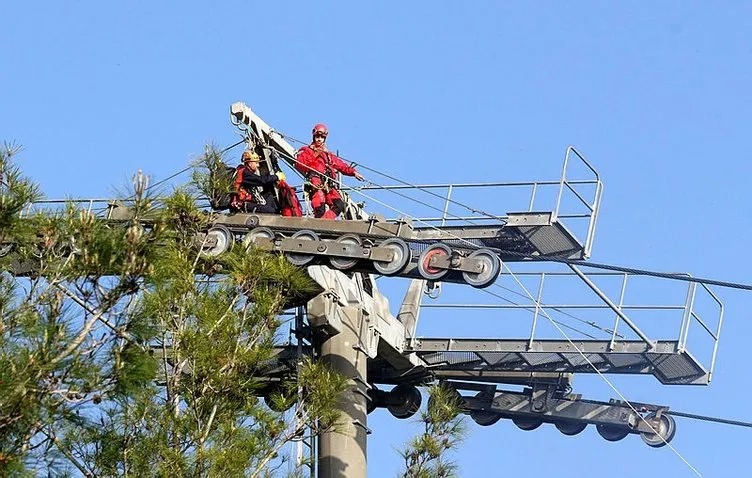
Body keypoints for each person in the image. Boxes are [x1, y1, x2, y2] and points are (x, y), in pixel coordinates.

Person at [295, 123, 364, 219]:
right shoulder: (306, 151)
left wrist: (353, 172)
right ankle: (321, 224)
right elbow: (300, 164)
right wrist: (316, 153)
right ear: (314, 137)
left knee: (339, 204)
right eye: (317, 136)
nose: (319, 139)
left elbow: (340, 165)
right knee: (319, 207)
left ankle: (324, 223)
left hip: (329, 186)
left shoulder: (328, 155)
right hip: (317, 184)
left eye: (322, 137)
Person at [231, 150, 286, 214]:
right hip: (244, 205)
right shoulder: (245, 173)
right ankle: (274, 213)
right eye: (256, 163)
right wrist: (276, 177)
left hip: (250, 201)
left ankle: (276, 210)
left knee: (269, 195)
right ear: (249, 163)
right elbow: (261, 180)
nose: (258, 165)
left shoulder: (245, 172)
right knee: (272, 211)